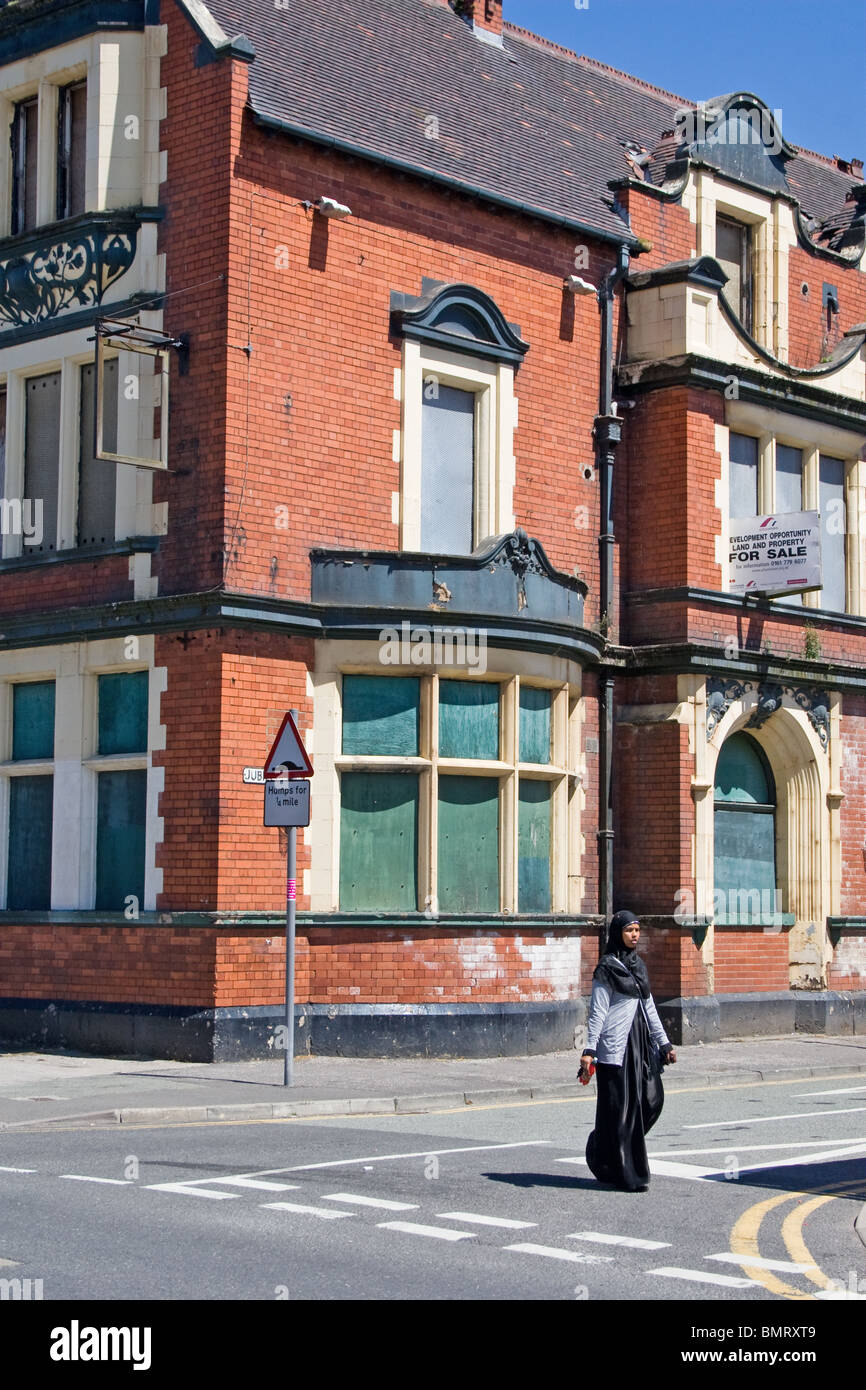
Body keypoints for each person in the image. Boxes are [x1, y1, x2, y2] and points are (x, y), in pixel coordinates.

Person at [578, 909, 677, 1192]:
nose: (635, 935)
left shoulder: (638, 967)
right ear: (617, 934)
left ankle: (603, 1145)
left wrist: (664, 1043)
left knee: (651, 1100)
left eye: (637, 930)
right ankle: (623, 1174)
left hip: (640, 1047)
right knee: (621, 1113)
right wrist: (590, 1049)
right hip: (614, 1049)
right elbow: (597, 1012)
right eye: (629, 930)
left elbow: (649, 1007)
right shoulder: (606, 969)